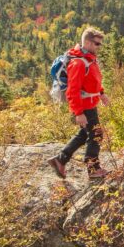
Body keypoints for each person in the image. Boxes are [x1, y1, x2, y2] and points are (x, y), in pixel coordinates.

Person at [48, 27, 111, 180]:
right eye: (97, 44)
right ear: (88, 43)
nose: (99, 47)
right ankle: (93, 169)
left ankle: (60, 159)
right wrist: (78, 113)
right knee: (96, 134)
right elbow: (73, 90)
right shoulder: (78, 62)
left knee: (84, 134)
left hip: (90, 103)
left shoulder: (89, 59)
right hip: (84, 106)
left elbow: (92, 80)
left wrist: (101, 93)